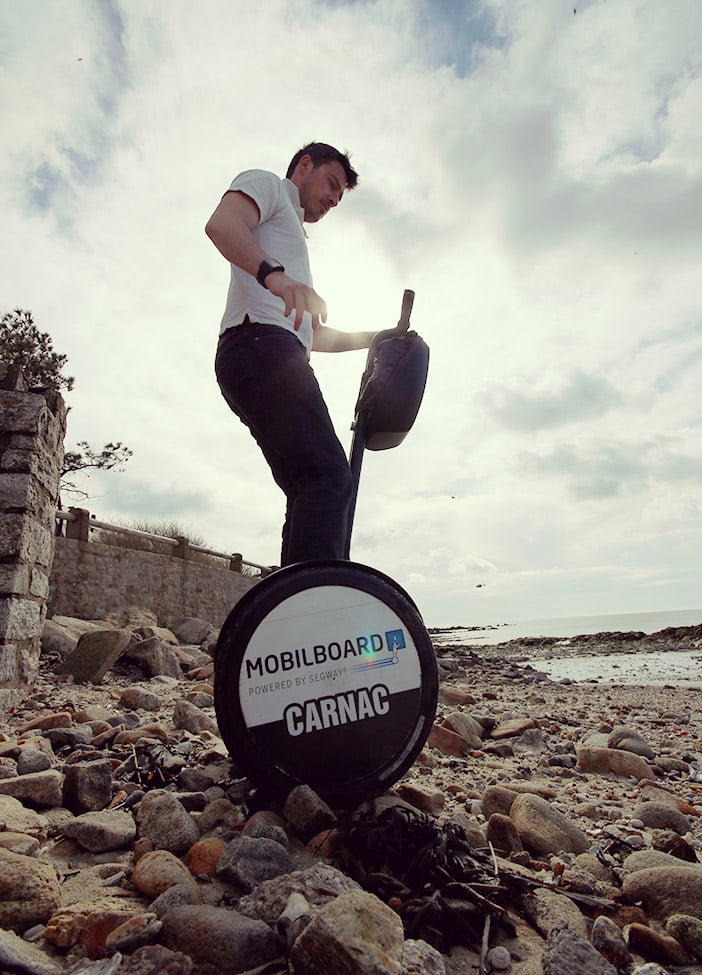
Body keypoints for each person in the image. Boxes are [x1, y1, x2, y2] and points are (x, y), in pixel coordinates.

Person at [206, 142, 376, 566]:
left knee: (309, 485)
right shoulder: (268, 186)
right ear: (304, 165)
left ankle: (292, 609)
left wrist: (377, 338)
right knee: (330, 478)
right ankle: (313, 611)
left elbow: (312, 335)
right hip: (259, 345)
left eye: (339, 198)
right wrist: (275, 277)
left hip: (274, 350)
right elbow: (222, 225)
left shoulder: (294, 238)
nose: (333, 199)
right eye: (331, 183)